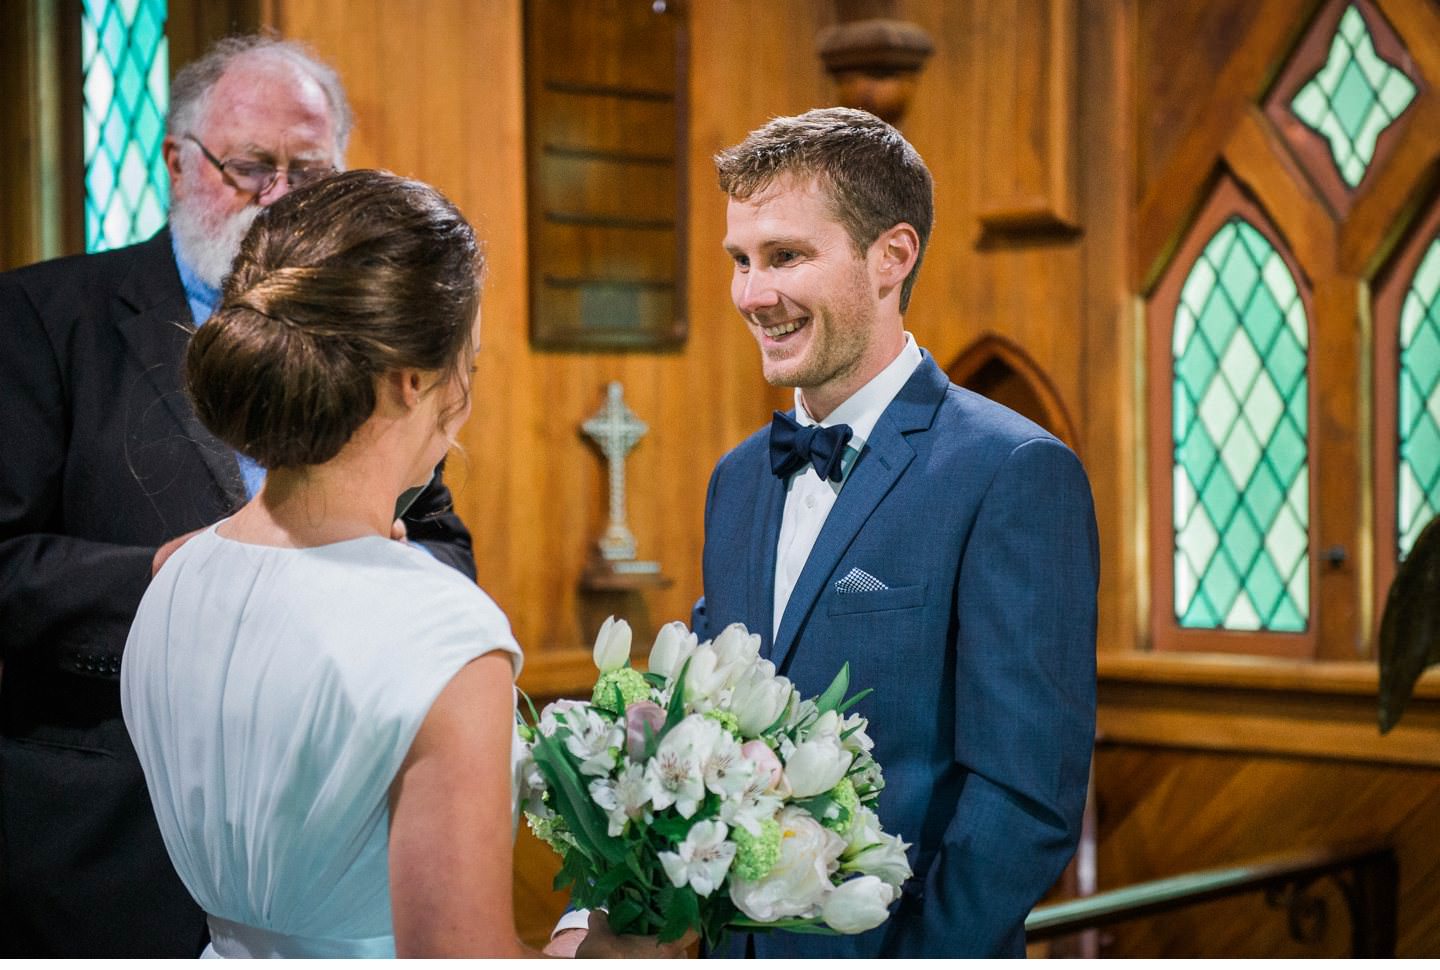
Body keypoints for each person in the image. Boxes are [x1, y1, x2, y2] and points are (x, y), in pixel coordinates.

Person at [120, 169, 686, 959]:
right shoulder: (440, 630)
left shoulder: (175, 578)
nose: (467, 397)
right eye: (471, 367)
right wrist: (610, 942)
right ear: (413, 381)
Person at [0, 36, 472, 957]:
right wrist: (180, 578)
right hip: (100, 837)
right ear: (178, 160)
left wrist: (386, 583)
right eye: (252, 167)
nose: (280, 199)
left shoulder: (363, 337)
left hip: (328, 831)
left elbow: (439, 537)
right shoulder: (41, 319)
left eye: (311, 171)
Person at [694, 107, 1099, 957]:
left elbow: (1027, 797)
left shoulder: (1013, 470)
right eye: (742, 260)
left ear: (892, 256)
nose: (752, 293)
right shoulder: (735, 481)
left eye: (786, 256)